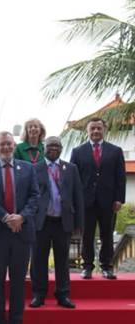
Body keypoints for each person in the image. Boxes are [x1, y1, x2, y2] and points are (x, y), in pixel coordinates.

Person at [0, 131, 39, 324]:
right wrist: (5, 217)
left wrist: (22, 217)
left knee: (18, 281)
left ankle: (16, 319)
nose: (6, 147)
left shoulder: (28, 168)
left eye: (9, 144)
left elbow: (35, 196)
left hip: (21, 232)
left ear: (14, 145)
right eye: (2, 144)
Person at [30, 136, 84, 309]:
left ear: (61, 148)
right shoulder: (34, 168)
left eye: (56, 145)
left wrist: (79, 224)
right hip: (42, 222)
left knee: (63, 260)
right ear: (43, 148)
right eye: (49, 145)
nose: (53, 148)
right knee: (38, 260)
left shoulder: (71, 168)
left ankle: (63, 294)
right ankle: (39, 294)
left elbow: (78, 197)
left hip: (63, 221)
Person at [70, 117, 126, 279]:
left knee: (107, 234)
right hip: (85, 201)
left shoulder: (115, 151)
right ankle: (87, 266)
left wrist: (119, 199)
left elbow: (120, 177)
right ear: (87, 131)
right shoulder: (78, 151)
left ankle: (107, 266)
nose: (95, 131)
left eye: (98, 128)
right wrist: (75, 201)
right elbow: (74, 178)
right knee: (86, 235)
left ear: (104, 130)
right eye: (92, 128)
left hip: (108, 201)